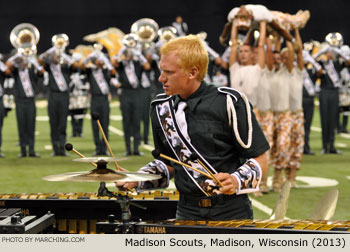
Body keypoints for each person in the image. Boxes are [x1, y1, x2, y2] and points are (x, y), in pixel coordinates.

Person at [116, 35, 269, 220]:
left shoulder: (229, 102)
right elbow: (169, 163)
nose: (160, 78)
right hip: (186, 211)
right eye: (161, 71)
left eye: (169, 72)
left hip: (231, 211)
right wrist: (137, 178)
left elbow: (260, 158)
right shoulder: (160, 108)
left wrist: (236, 180)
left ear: (193, 72)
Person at [39, 45, 75, 156]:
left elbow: (74, 63)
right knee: (53, 122)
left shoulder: (66, 65)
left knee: (63, 123)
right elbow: (40, 59)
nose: (56, 56)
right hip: (53, 95)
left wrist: (61, 53)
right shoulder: (49, 65)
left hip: (64, 95)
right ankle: (55, 149)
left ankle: (63, 148)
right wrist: (52, 50)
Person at [6, 52, 43, 157]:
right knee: (21, 125)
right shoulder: (16, 71)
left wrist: (32, 60)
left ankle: (31, 150)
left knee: (31, 126)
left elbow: (41, 70)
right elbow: (8, 64)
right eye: (22, 61)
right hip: (20, 101)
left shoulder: (32, 71)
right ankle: (23, 150)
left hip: (31, 101)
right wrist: (18, 55)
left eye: (25, 60)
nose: (24, 62)